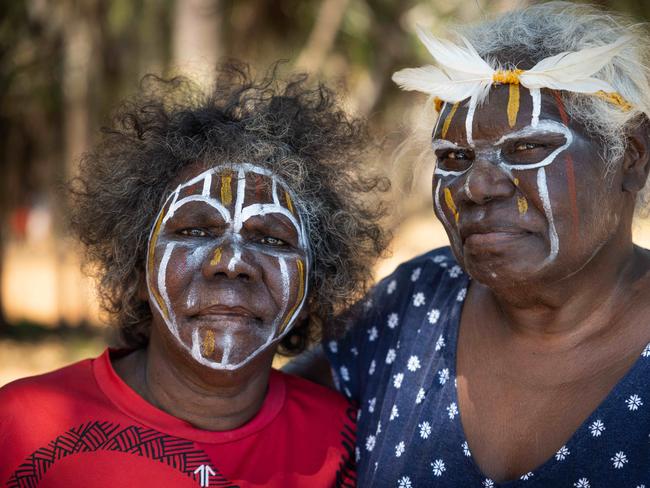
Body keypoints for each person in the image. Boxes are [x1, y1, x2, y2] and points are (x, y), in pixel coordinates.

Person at [293, 2, 650, 487]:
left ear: (632, 157)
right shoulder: (418, 298)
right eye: (454, 156)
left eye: (528, 147)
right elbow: (244, 410)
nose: (477, 186)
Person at [0, 63, 389, 487]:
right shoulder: (21, 428)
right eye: (195, 230)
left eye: (272, 239)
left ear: (312, 288)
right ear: (135, 270)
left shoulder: (348, 445)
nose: (232, 261)